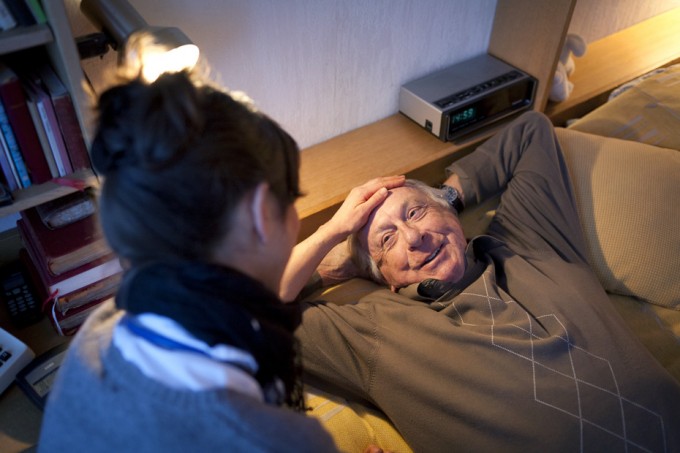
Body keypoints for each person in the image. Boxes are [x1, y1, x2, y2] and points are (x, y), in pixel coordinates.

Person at [38, 70, 399, 452]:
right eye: (293, 200)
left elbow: (258, 289)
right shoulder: (268, 437)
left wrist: (332, 231)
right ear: (261, 213)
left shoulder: (101, 331)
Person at [286, 111, 680, 452]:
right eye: (387, 240)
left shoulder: (531, 239)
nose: (414, 236)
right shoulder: (370, 332)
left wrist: (449, 195)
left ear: (449, 211)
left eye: (417, 212)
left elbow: (531, 132)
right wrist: (331, 240)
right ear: (381, 275)